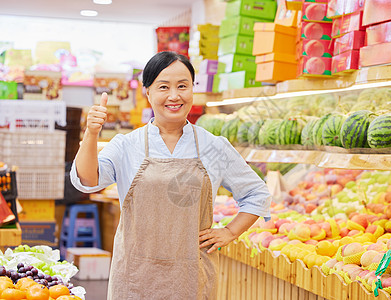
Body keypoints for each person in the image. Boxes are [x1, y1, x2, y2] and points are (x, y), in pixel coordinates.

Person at [70, 51, 271, 299]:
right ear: (148, 93)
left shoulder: (213, 146)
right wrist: (90, 133)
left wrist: (229, 232)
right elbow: (88, 180)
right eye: (163, 87)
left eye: (183, 86)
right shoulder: (127, 145)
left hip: (191, 277)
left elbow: (256, 192)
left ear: (192, 91)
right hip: (135, 278)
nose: (174, 96)